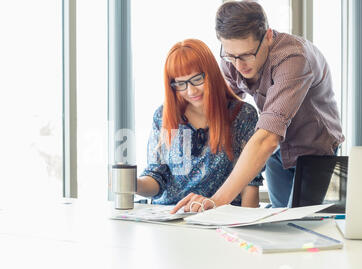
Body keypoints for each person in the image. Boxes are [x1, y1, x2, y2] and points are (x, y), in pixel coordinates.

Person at [172, 1, 344, 213]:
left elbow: (267, 138)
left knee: (300, 224)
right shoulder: (232, 58)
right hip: (278, 151)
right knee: (278, 221)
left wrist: (217, 200)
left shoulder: (293, 58)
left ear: (269, 36)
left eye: (247, 55)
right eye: (231, 55)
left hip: (314, 150)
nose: (239, 64)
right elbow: (230, 106)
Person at [137, 38, 263, 211]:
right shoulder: (162, 116)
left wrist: (248, 228)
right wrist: (132, 184)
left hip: (220, 218)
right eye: (181, 84)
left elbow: (250, 181)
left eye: (197, 79)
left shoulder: (243, 115)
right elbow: (156, 176)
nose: (191, 91)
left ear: (211, 74)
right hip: (169, 216)